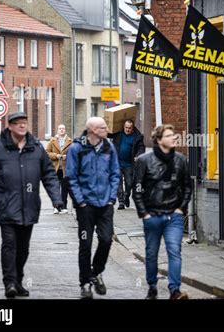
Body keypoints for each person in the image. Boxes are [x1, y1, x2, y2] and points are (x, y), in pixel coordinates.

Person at [0, 112, 63, 298]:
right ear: (10, 127)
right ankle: (9, 283)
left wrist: (57, 198)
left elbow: (48, 175)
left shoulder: (36, 148)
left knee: (23, 248)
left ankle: (18, 280)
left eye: (25, 123)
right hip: (5, 206)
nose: (22, 126)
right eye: (18, 123)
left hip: (29, 207)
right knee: (9, 245)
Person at [133, 124, 192, 300]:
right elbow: (137, 189)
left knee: (174, 250)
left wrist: (181, 208)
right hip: (153, 215)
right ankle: (152, 286)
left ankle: (175, 290)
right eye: (169, 135)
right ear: (159, 140)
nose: (174, 137)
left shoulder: (181, 159)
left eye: (174, 135)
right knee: (151, 253)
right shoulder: (144, 160)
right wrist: (144, 214)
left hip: (173, 216)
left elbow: (187, 186)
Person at [65, 117, 120, 299]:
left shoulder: (108, 147)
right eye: (103, 127)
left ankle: (96, 272)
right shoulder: (76, 149)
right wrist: (80, 201)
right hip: (85, 207)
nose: (106, 129)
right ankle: (85, 284)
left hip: (105, 205)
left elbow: (115, 174)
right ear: (92, 130)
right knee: (85, 245)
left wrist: (112, 198)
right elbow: (71, 177)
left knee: (106, 240)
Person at [108, 119, 145, 210]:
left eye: (129, 128)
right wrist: (105, 121)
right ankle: (121, 201)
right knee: (118, 182)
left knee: (129, 183)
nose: (127, 130)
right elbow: (107, 133)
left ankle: (126, 195)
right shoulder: (118, 133)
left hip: (129, 164)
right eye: (126, 127)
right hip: (117, 162)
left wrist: (138, 156)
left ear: (132, 128)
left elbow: (141, 148)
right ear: (123, 127)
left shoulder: (137, 136)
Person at [46, 124, 73, 214]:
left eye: (63, 129)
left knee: (65, 188)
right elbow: (47, 152)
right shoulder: (52, 140)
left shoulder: (70, 141)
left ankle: (64, 207)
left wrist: (67, 156)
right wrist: (56, 156)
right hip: (55, 168)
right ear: (57, 130)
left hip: (66, 169)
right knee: (55, 188)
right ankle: (56, 207)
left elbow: (74, 154)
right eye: (60, 128)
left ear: (65, 130)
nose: (62, 130)